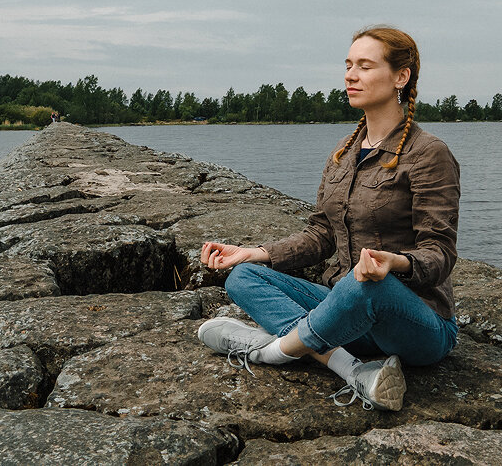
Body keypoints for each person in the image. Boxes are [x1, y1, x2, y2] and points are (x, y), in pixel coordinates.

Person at [196, 25, 460, 411]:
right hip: (348, 310)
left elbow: (440, 252)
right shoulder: (343, 151)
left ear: (400, 76)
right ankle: (350, 367)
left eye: (365, 66)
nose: (351, 75)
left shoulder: (428, 153)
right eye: (349, 65)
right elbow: (321, 234)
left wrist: (396, 264)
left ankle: (267, 351)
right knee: (244, 277)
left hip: (416, 323)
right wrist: (254, 252)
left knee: (365, 284)